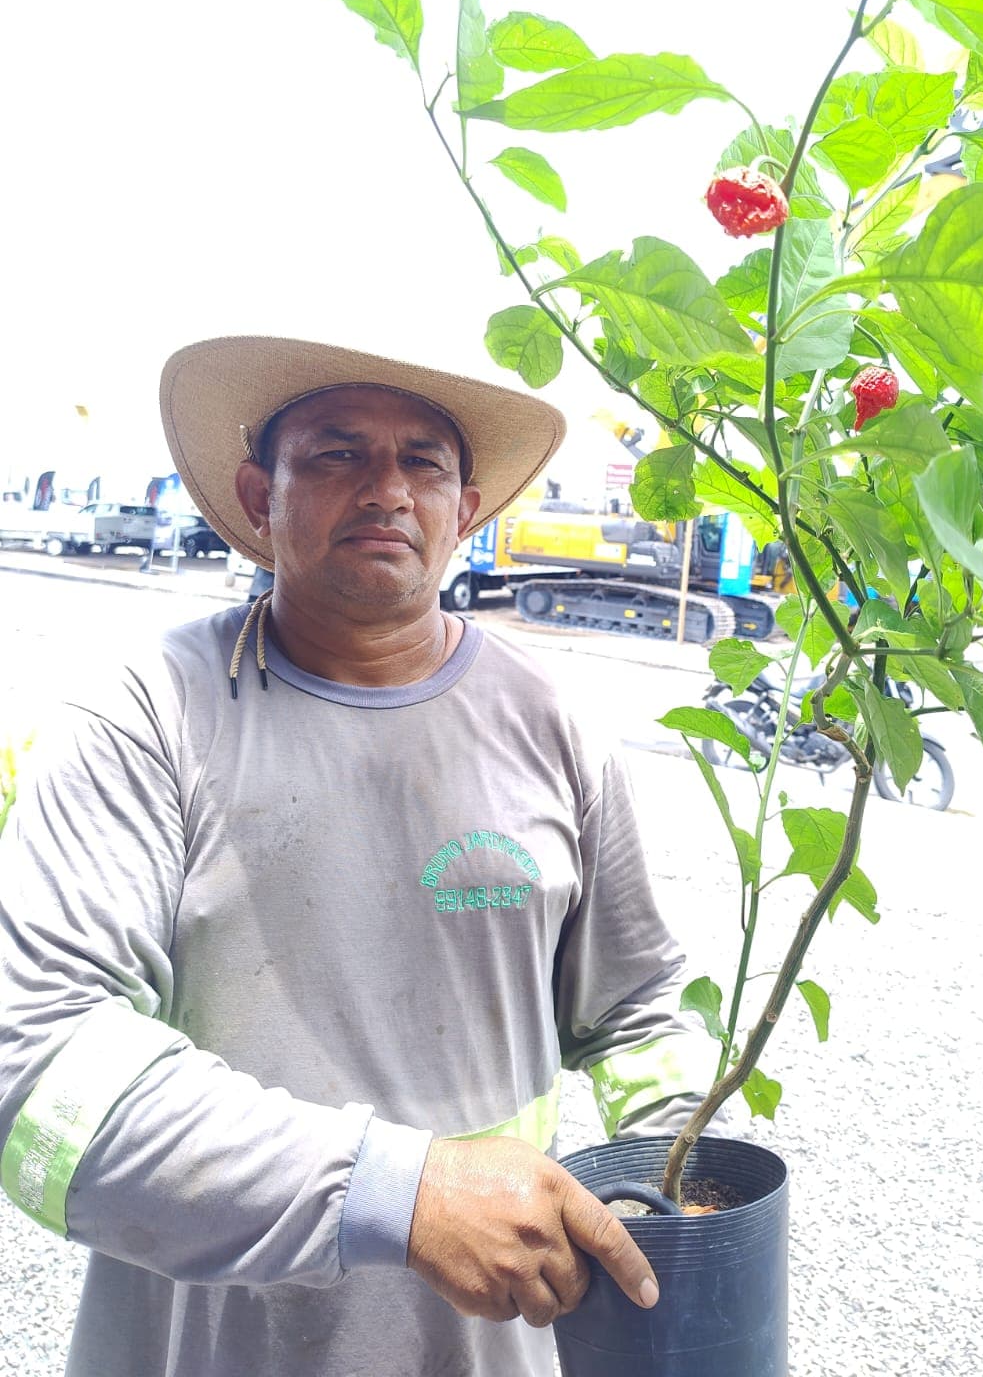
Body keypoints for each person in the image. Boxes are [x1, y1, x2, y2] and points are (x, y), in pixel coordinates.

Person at [0, 335, 720, 1377]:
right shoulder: (146, 717)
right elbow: (39, 1059)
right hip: (199, 1344)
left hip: (488, 1349)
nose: (387, 489)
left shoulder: (554, 724)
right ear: (260, 496)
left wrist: (679, 1193)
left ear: (465, 510)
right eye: (337, 454)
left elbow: (642, 1009)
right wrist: (403, 1192)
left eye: (422, 461)